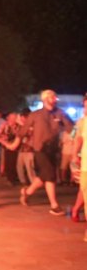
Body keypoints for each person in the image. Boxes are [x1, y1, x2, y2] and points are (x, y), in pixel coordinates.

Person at [15, 90, 73, 215]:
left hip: (53, 150)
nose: (54, 98)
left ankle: (27, 193)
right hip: (39, 149)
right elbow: (23, 131)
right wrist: (15, 143)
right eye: (52, 96)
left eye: (55, 96)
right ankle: (54, 205)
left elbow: (71, 128)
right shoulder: (35, 115)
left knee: (44, 177)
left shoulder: (60, 113)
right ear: (45, 99)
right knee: (50, 175)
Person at [70, 93, 86, 240]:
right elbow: (75, 139)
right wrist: (75, 155)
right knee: (84, 188)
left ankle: (75, 209)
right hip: (82, 160)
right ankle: (75, 210)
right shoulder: (80, 123)